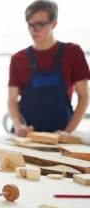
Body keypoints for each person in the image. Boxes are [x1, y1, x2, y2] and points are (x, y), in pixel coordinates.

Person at [8, 0, 90, 137]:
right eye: (30, 25)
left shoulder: (73, 52)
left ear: (54, 23)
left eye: (39, 24)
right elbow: (11, 100)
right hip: (27, 136)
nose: (33, 30)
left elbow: (84, 97)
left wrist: (67, 132)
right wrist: (19, 126)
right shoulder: (18, 58)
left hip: (60, 135)